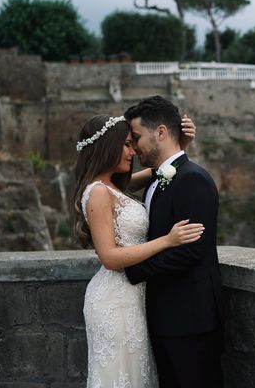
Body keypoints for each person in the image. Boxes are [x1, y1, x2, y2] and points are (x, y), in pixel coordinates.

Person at [73, 113, 201, 387]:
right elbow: (109, 257)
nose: (133, 151)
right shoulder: (97, 192)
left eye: (133, 143)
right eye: (127, 144)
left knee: (135, 375)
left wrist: (180, 147)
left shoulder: (113, 186)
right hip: (113, 299)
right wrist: (167, 241)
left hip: (132, 296)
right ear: (108, 146)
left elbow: (161, 170)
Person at [124, 95, 224, 388]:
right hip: (168, 317)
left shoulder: (192, 180)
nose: (134, 147)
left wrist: (133, 270)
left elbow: (190, 252)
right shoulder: (160, 178)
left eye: (136, 137)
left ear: (162, 132)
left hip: (191, 319)